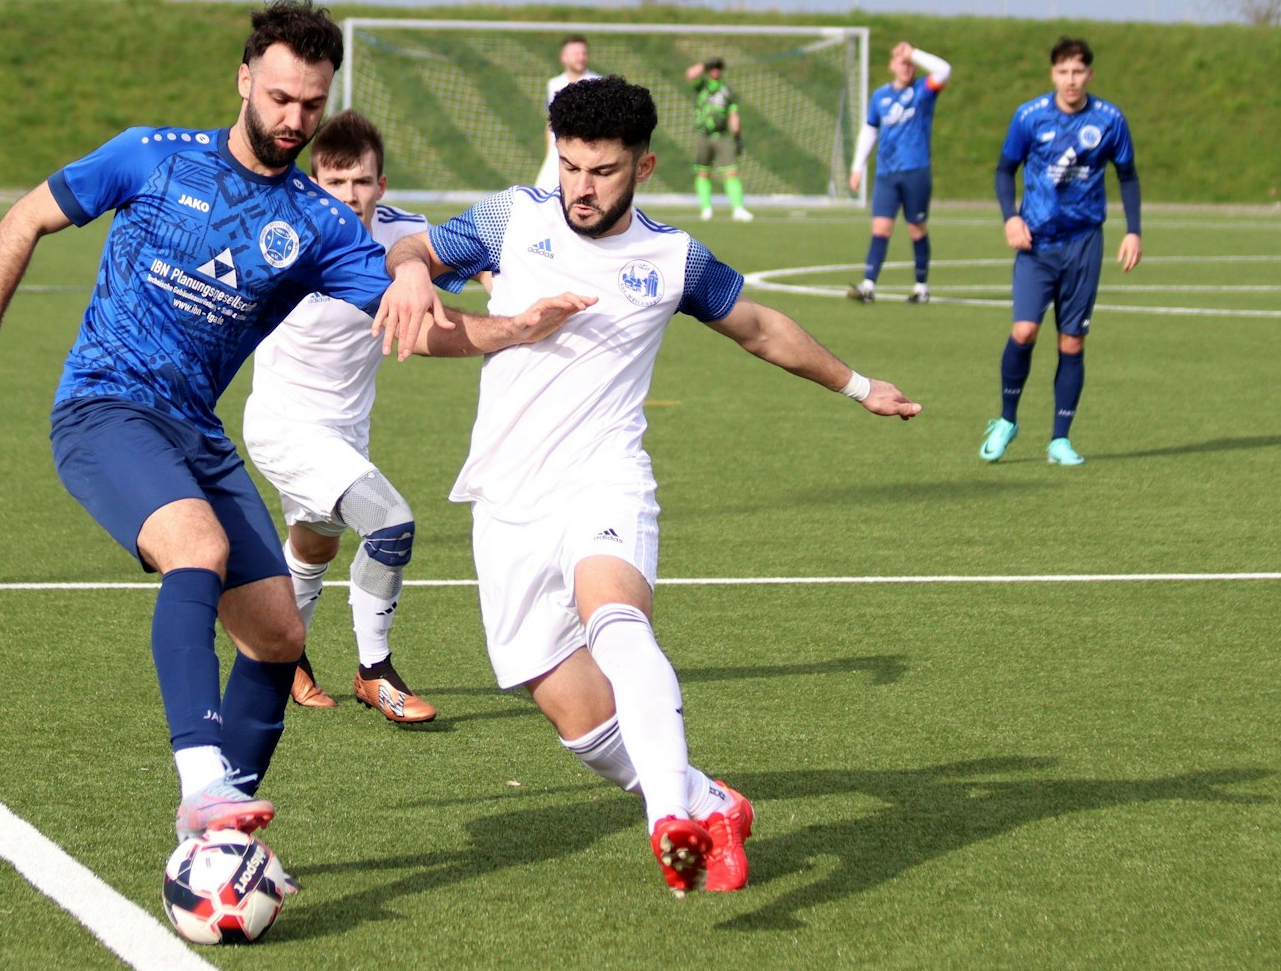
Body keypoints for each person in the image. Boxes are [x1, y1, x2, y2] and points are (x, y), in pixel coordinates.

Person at [0, 0, 572, 850]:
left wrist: (516, 329)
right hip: (105, 407)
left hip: (196, 431)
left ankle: (219, 839)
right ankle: (201, 784)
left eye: (312, 105)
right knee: (199, 550)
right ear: (246, 79)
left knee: (278, 634)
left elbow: (423, 326)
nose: (295, 119)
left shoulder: (324, 225)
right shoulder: (152, 155)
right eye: (283, 97)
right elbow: (25, 216)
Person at [379, 76, 921, 895]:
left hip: (605, 475)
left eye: (602, 170)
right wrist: (414, 270)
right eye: (570, 166)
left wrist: (858, 385)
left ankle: (669, 814)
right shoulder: (512, 217)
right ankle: (710, 799)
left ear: (645, 166)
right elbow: (415, 248)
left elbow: (762, 328)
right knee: (569, 708)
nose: (581, 187)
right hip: (505, 497)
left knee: (617, 623)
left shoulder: (673, 259)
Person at [242, 110, 439, 723]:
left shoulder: (407, 235)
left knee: (314, 545)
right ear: (313, 181)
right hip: (284, 424)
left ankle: (283, 659)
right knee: (390, 524)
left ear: (382, 185)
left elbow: (474, 256)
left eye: (362, 182)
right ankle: (374, 671)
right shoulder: (286, 234)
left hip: (347, 427)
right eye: (336, 183)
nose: (350, 196)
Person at [979, 36, 1142, 467]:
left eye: (1079, 72)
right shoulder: (1029, 117)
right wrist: (1010, 217)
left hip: (1084, 243)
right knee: (1024, 332)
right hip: (1036, 243)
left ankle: (1060, 440)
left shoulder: (1110, 120)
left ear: (1090, 74)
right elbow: (1003, 170)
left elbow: (1127, 176)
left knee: (1071, 341)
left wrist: (1134, 231)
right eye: (1063, 72)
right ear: (1053, 73)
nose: (1071, 81)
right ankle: (1006, 420)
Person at [847, 41, 951, 305]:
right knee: (880, 228)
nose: (906, 66)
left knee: (916, 228)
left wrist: (914, 52)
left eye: (910, 63)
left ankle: (921, 286)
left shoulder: (922, 91)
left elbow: (944, 70)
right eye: (901, 61)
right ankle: (868, 285)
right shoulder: (880, 96)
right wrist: (857, 166)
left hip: (915, 170)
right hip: (886, 174)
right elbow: (870, 130)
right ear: (891, 65)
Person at [683, 57, 753, 222]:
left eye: (718, 68)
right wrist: (705, 64)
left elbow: (733, 114)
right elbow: (690, 74)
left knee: (731, 172)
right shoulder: (702, 86)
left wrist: (737, 136)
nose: (715, 70)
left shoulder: (727, 91)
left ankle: (738, 209)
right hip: (703, 135)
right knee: (703, 172)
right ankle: (706, 208)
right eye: (712, 68)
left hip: (722, 135)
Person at [534, 34, 598, 191]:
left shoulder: (597, 83)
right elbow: (550, 124)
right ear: (564, 57)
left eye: (584, 53)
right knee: (543, 193)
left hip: (585, 153)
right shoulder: (554, 84)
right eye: (576, 54)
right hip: (559, 152)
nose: (581, 58)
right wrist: (550, 152)